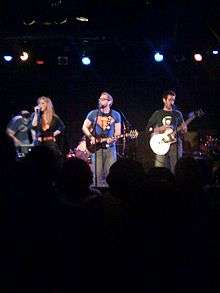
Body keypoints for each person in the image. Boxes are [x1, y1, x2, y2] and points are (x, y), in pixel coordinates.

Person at [82, 91, 121, 187]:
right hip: (96, 148)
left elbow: (118, 132)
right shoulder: (93, 113)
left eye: (103, 99)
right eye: (100, 99)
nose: (100, 101)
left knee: (110, 174)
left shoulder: (116, 114)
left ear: (109, 102)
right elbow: (84, 127)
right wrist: (91, 137)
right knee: (96, 174)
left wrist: (113, 139)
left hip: (110, 148)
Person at [146, 90, 187, 173]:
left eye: (173, 100)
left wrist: (184, 129)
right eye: (170, 100)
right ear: (164, 100)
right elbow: (148, 129)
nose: (172, 102)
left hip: (175, 145)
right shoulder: (157, 113)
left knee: (176, 169)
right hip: (161, 144)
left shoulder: (177, 114)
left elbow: (184, 131)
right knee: (159, 169)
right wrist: (159, 129)